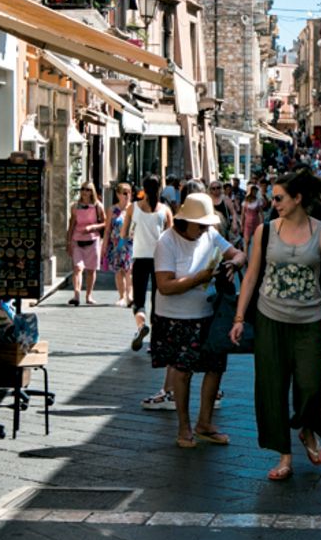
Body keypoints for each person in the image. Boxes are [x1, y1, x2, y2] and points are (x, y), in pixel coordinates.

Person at [231, 169, 321, 481]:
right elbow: (252, 275)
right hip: (270, 318)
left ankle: (307, 429)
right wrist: (239, 318)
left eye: (279, 198)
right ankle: (284, 456)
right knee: (272, 387)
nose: (273, 202)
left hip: (309, 321)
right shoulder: (265, 232)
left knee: (312, 382)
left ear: (298, 199)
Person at [153, 191, 245, 449]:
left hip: (208, 315)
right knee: (182, 373)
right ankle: (184, 427)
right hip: (176, 318)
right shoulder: (167, 242)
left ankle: (205, 423)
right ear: (185, 221)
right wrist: (200, 277)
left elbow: (238, 253)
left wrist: (234, 265)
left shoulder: (210, 235)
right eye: (200, 224)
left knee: (215, 367)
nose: (204, 229)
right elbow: (165, 285)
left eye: (207, 224)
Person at [127, 175, 173, 367]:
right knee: (158, 299)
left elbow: (125, 234)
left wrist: (133, 234)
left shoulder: (133, 207)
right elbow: (171, 236)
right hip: (159, 259)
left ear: (143, 189)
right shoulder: (165, 210)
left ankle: (141, 325)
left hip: (140, 257)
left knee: (138, 299)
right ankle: (154, 342)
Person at [65, 183, 106, 305]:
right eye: (82, 189)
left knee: (91, 270)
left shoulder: (98, 206)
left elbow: (105, 223)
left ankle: (89, 295)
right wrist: (68, 241)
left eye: (87, 190)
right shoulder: (75, 206)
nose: (84, 192)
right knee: (77, 268)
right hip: (77, 240)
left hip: (92, 240)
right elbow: (71, 224)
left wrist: (92, 227)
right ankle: (76, 295)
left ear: (91, 192)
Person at [104, 183, 134, 306]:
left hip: (130, 243)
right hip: (116, 244)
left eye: (129, 193)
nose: (127, 195)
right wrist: (104, 246)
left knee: (129, 270)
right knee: (119, 271)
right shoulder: (112, 210)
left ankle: (129, 295)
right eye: (124, 193)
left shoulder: (133, 208)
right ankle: (122, 296)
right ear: (118, 194)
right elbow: (107, 229)